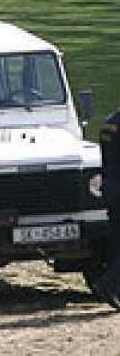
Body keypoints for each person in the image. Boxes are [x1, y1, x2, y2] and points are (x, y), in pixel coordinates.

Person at [95, 109, 120, 309]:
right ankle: (108, 284)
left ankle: (114, 289)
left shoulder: (110, 121)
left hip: (110, 186)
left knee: (117, 241)